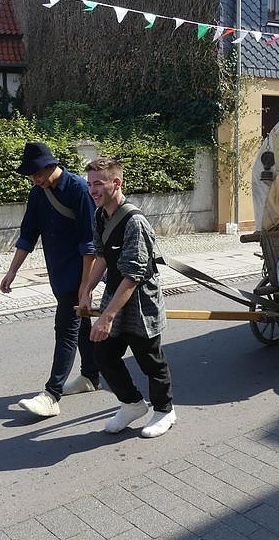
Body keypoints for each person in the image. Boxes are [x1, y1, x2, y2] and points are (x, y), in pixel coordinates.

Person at [0, 142, 100, 417]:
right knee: (81, 325)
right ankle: (91, 376)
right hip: (58, 271)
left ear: (50, 166)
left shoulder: (79, 189)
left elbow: (88, 242)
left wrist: (85, 286)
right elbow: (28, 235)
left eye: (36, 173)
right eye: (31, 175)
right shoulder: (38, 193)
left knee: (66, 329)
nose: (34, 179)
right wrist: (12, 271)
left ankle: (52, 395)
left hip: (79, 272)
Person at [79, 157, 176, 438]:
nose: (92, 190)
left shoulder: (135, 222)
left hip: (141, 302)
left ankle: (165, 410)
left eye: (98, 184)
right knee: (104, 355)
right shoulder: (100, 215)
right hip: (115, 294)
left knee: (150, 360)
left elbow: (133, 276)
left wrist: (107, 317)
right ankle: (132, 404)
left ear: (116, 183)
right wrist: (86, 291)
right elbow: (101, 256)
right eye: (90, 185)